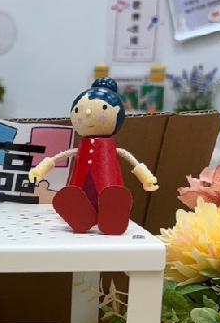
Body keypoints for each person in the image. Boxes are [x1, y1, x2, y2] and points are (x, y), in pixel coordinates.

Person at [29, 77, 158, 235]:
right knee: (74, 195)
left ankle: (111, 213)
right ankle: (81, 213)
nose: (88, 113)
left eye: (103, 108)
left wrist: (146, 177)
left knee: (111, 195)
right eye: (78, 110)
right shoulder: (82, 146)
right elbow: (60, 157)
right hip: (81, 189)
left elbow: (129, 158)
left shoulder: (110, 147)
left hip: (109, 187)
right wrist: (41, 170)